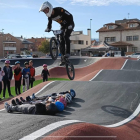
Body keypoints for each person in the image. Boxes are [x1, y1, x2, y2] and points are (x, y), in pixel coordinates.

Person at [39, 1, 75, 65]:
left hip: (69, 24)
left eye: (46, 10)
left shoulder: (59, 10)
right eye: (44, 11)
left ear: (49, 8)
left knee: (65, 36)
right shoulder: (50, 16)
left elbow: (70, 16)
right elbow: (49, 23)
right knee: (61, 40)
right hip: (63, 26)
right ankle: (63, 58)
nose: (45, 12)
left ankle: (68, 53)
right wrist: (48, 28)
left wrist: (70, 24)